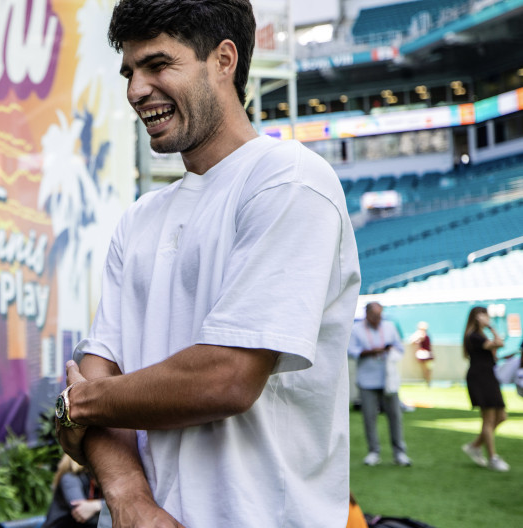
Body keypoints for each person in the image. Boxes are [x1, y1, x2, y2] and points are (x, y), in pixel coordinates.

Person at [53, 1, 361, 526]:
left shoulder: (288, 180)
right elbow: (95, 374)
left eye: (157, 64)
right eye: (129, 71)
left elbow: (228, 378)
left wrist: (81, 405)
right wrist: (131, 499)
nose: (135, 90)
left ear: (224, 60)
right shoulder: (139, 218)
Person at [348, 302, 411, 467]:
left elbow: (399, 348)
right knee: (369, 417)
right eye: (374, 315)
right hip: (367, 381)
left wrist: (389, 351)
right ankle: (373, 452)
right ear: (367, 314)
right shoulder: (356, 329)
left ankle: (399, 453)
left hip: (388, 381)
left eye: (380, 315)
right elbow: (351, 351)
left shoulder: (389, 326)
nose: (378, 319)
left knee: (395, 416)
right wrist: (371, 352)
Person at [461, 306, 509, 472]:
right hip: (480, 378)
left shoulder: (480, 336)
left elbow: (497, 346)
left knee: (501, 416)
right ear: (476, 317)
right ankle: (493, 457)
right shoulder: (473, 336)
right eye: (483, 315)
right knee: (488, 419)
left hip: (489, 377)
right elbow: (499, 343)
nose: (486, 318)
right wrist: (491, 327)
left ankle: (475, 446)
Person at [42, 455, 103, 528]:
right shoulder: (70, 478)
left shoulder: (91, 479)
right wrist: (99, 505)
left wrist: (97, 505)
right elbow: (81, 512)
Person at [409, 321, 434, 387]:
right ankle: (427, 382)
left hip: (428, 354)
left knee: (428, 370)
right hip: (424, 355)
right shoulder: (421, 336)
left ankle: (428, 382)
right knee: (426, 370)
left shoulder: (425, 336)